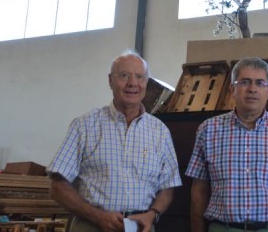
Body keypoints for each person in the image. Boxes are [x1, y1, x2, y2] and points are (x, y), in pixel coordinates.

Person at [48, 50, 181, 232]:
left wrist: (152, 214)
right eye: (124, 75)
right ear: (110, 80)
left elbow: (168, 187)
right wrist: (97, 216)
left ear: (146, 83)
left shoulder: (160, 132)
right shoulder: (84, 126)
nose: (132, 83)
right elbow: (57, 186)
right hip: (91, 225)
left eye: (140, 77)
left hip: (140, 227)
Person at [187, 57, 268, 232]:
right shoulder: (208, 130)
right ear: (232, 89)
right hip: (224, 228)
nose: (252, 89)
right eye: (245, 82)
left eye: (260, 83)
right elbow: (199, 190)